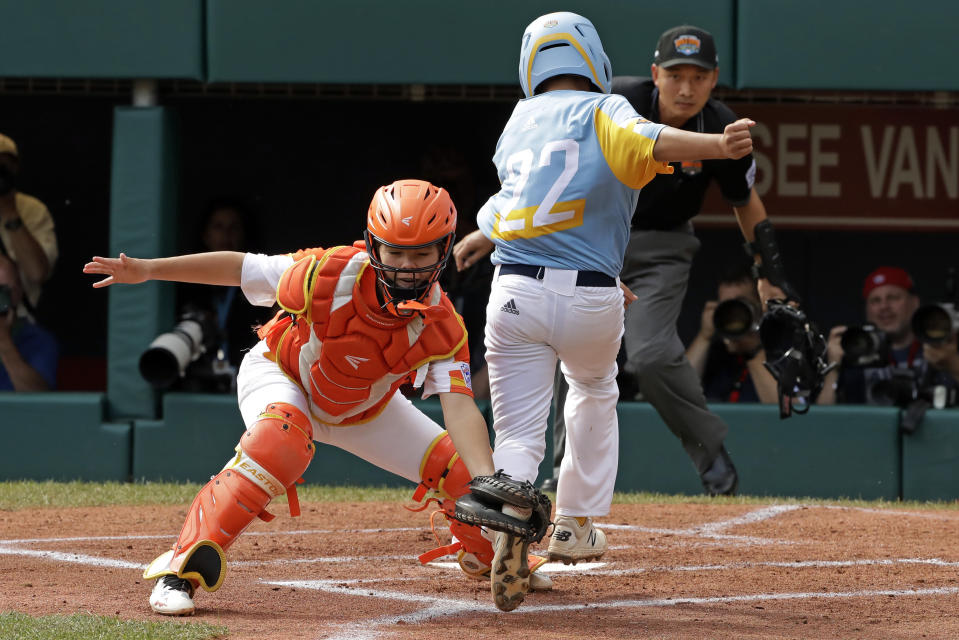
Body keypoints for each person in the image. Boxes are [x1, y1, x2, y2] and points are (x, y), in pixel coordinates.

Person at [84, 179, 552, 616]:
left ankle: (485, 553)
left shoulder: (442, 324)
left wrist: (488, 484)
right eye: (395, 252)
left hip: (367, 409)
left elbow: (460, 407)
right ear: (373, 245)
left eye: (421, 253)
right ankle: (177, 572)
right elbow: (240, 266)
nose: (407, 267)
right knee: (280, 443)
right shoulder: (327, 273)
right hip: (284, 376)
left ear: (443, 249)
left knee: (465, 474)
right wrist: (148, 270)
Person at [453, 11, 754, 609]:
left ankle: (506, 522)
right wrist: (718, 145)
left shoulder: (518, 120)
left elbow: (517, 196)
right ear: (591, 60)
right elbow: (655, 141)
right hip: (593, 291)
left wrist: (481, 231)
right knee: (592, 387)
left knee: (516, 430)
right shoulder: (607, 108)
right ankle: (574, 523)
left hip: (512, 289)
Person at [541, 24, 796, 496]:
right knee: (570, 350)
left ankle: (709, 449)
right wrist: (489, 233)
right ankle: (562, 470)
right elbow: (550, 169)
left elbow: (746, 203)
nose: (686, 88)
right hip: (597, 241)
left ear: (714, 79)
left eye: (698, 77)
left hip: (664, 249)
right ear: (655, 74)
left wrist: (768, 276)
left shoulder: (723, 125)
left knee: (652, 356)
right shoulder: (615, 100)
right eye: (675, 74)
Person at [817, 266, 959, 406]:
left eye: (893, 298)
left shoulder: (942, 348)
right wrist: (833, 367)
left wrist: (952, 365)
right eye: (875, 301)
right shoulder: (853, 352)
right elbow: (824, 422)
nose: (884, 306)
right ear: (867, 310)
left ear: (915, 302)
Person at [175, 198, 273, 391]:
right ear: (205, 235)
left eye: (234, 227)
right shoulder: (185, 283)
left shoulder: (261, 281)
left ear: (244, 234)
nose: (226, 234)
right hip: (195, 379)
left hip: (252, 377)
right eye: (218, 227)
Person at [685, 262, 778, 404]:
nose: (733, 312)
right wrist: (704, 337)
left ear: (760, 307)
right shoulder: (715, 354)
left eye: (741, 303)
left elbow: (787, 413)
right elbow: (676, 394)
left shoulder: (782, 353)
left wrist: (754, 350)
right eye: (726, 304)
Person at [0, 133, 59, 316]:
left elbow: (37, 273)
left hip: (16, 320)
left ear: (14, 168)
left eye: (2, 168)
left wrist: (10, 212)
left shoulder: (32, 210)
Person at [0, 254, 58, 391]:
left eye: (5, 291)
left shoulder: (38, 341)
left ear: (18, 292)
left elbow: (37, 400)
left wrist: (4, 343)